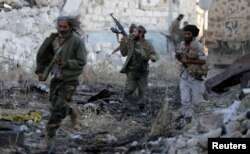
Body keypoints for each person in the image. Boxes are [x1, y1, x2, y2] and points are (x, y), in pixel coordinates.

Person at [35, 16, 88, 148]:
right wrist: (41, 72)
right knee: (54, 106)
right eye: (60, 26)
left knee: (58, 109)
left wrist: (68, 63)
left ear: (71, 27)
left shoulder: (77, 42)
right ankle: (72, 111)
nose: (62, 29)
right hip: (56, 78)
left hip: (70, 79)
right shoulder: (53, 39)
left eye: (65, 27)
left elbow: (82, 61)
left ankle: (49, 137)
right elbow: (43, 56)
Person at [119, 25, 159, 114]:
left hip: (143, 71)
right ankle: (123, 100)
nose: (133, 33)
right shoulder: (130, 42)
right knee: (130, 89)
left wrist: (153, 58)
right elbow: (123, 53)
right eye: (133, 31)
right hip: (132, 71)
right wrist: (123, 42)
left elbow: (155, 55)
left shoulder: (147, 43)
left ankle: (142, 110)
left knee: (142, 91)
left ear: (141, 33)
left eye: (135, 32)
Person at [175, 24, 208, 120]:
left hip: (195, 76)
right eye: (185, 34)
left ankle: (207, 103)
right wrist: (178, 57)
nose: (186, 36)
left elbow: (203, 60)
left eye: (188, 34)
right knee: (184, 100)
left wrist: (188, 61)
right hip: (185, 76)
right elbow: (182, 59)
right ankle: (188, 118)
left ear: (193, 35)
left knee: (197, 102)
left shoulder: (198, 45)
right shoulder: (182, 44)